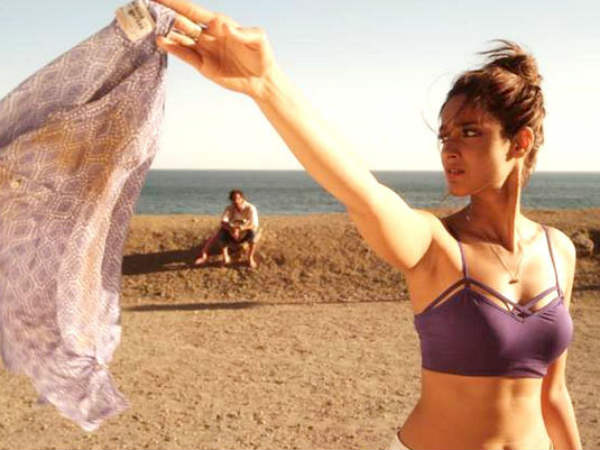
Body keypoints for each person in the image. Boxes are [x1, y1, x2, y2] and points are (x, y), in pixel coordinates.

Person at [154, 1, 582, 448]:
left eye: (470, 131)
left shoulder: (559, 252)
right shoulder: (435, 244)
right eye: (444, 135)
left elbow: (553, 395)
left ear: (520, 142)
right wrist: (267, 84)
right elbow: (362, 192)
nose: (449, 149)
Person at [194, 189, 259, 268]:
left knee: (253, 234)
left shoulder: (250, 208)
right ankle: (225, 257)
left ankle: (250, 258)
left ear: (242, 198)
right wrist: (232, 229)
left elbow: (254, 224)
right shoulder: (229, 208)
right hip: (232, 233)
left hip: (245, 231)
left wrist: (240, 228)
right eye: (233, 199)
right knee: (220, 233)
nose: (236, 201)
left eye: (238, 198)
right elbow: (223, 222)